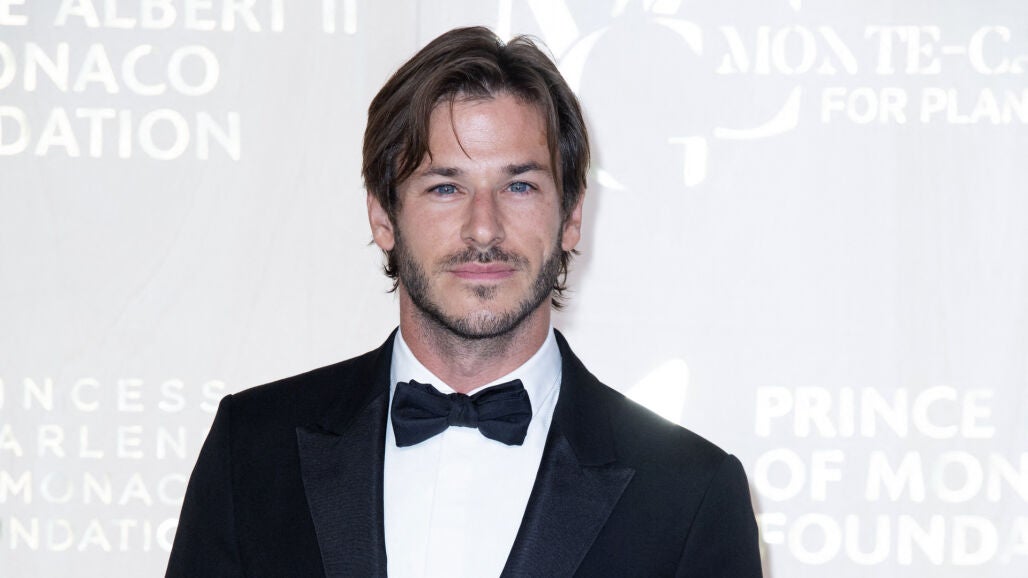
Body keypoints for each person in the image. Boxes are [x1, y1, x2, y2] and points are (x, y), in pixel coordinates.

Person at [166, 26, 762, 578]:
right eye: (446, 187)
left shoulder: (691, 494)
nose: (483, 228)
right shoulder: (252, 449)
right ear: (383, 217)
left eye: (519, 186)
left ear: (571, 216)